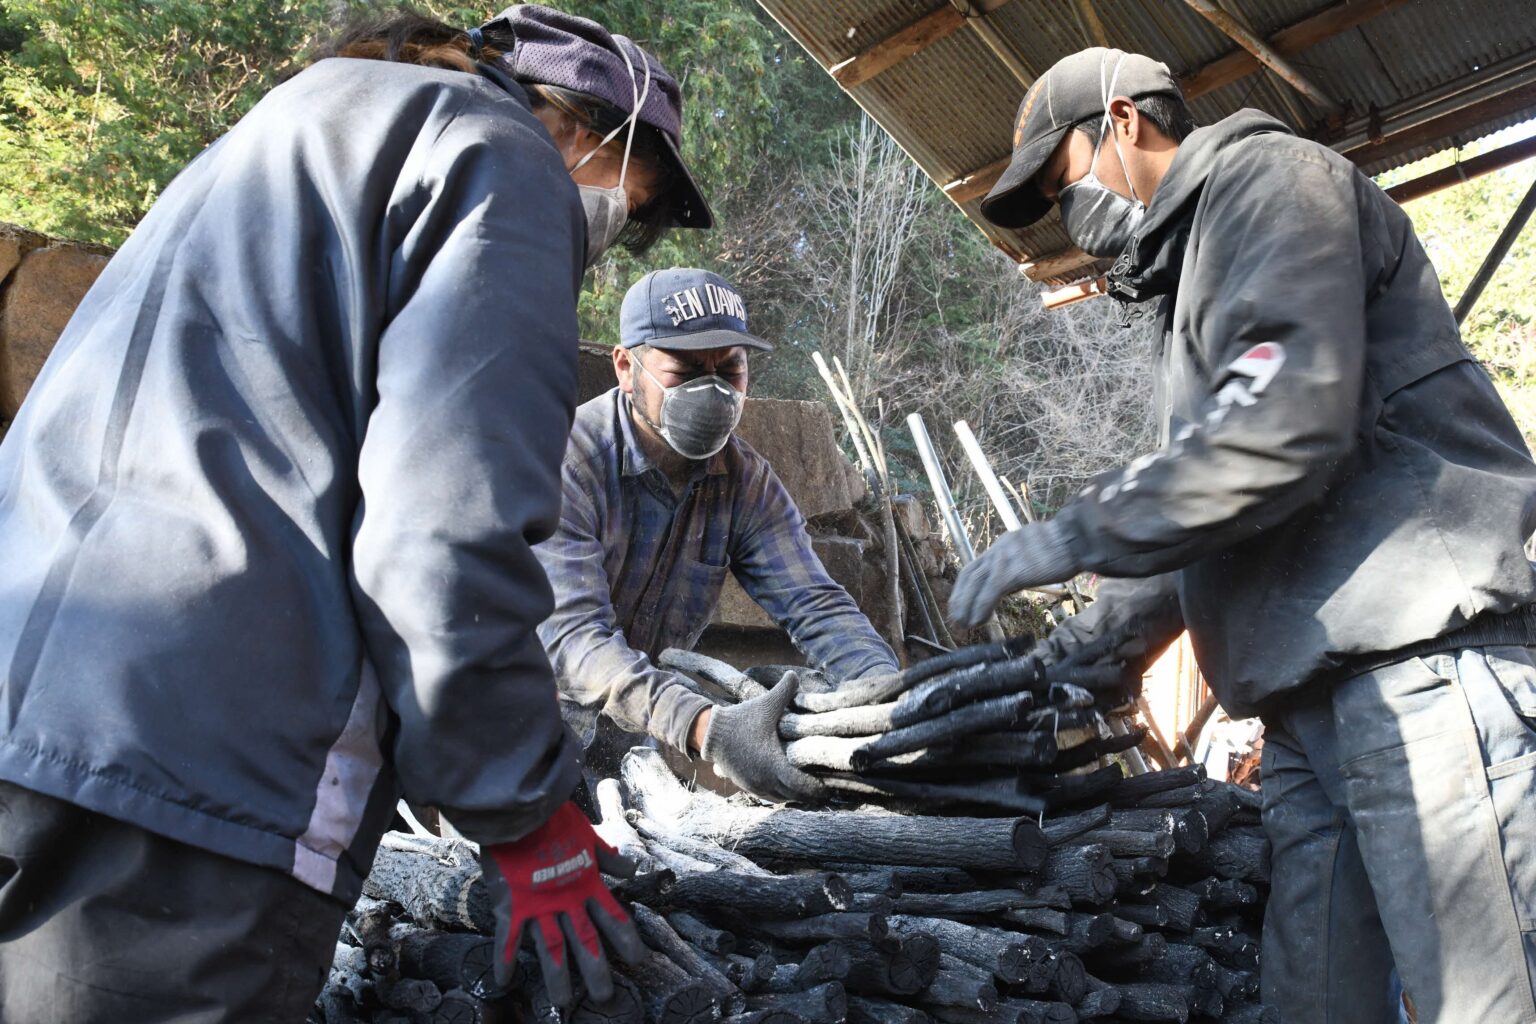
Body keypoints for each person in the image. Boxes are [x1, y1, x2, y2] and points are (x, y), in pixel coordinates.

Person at [0, 6, 714, 1019]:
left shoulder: (291, 123)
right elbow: (445, 532)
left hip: (32, 703)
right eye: (626, 202)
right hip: (199, 773)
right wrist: (523, 812)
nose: (608, 231)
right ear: (579, 128)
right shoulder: (503, 161)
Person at [950, 46, 1536, 1024]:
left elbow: (1282, 421)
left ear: (1124, 121)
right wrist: (1088, 650)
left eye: (1064, 179)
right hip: (1310, 707)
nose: (1068, 214)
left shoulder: (1270, 181)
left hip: (1422, 670)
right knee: (1314, 1002)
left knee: (1486, 1005)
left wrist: (1080, 530)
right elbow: (1217, 500)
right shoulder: (1191, 279)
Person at [534, 267, 901, 803]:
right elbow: (575, 642)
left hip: (630, 742)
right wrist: (710, 729)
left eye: (729, 369)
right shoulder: (566, 462)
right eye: (685, 370)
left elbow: (817, 606)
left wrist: (888, 703)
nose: (712, 391)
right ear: (625, 367)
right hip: (515, 734)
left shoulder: (746, 483)